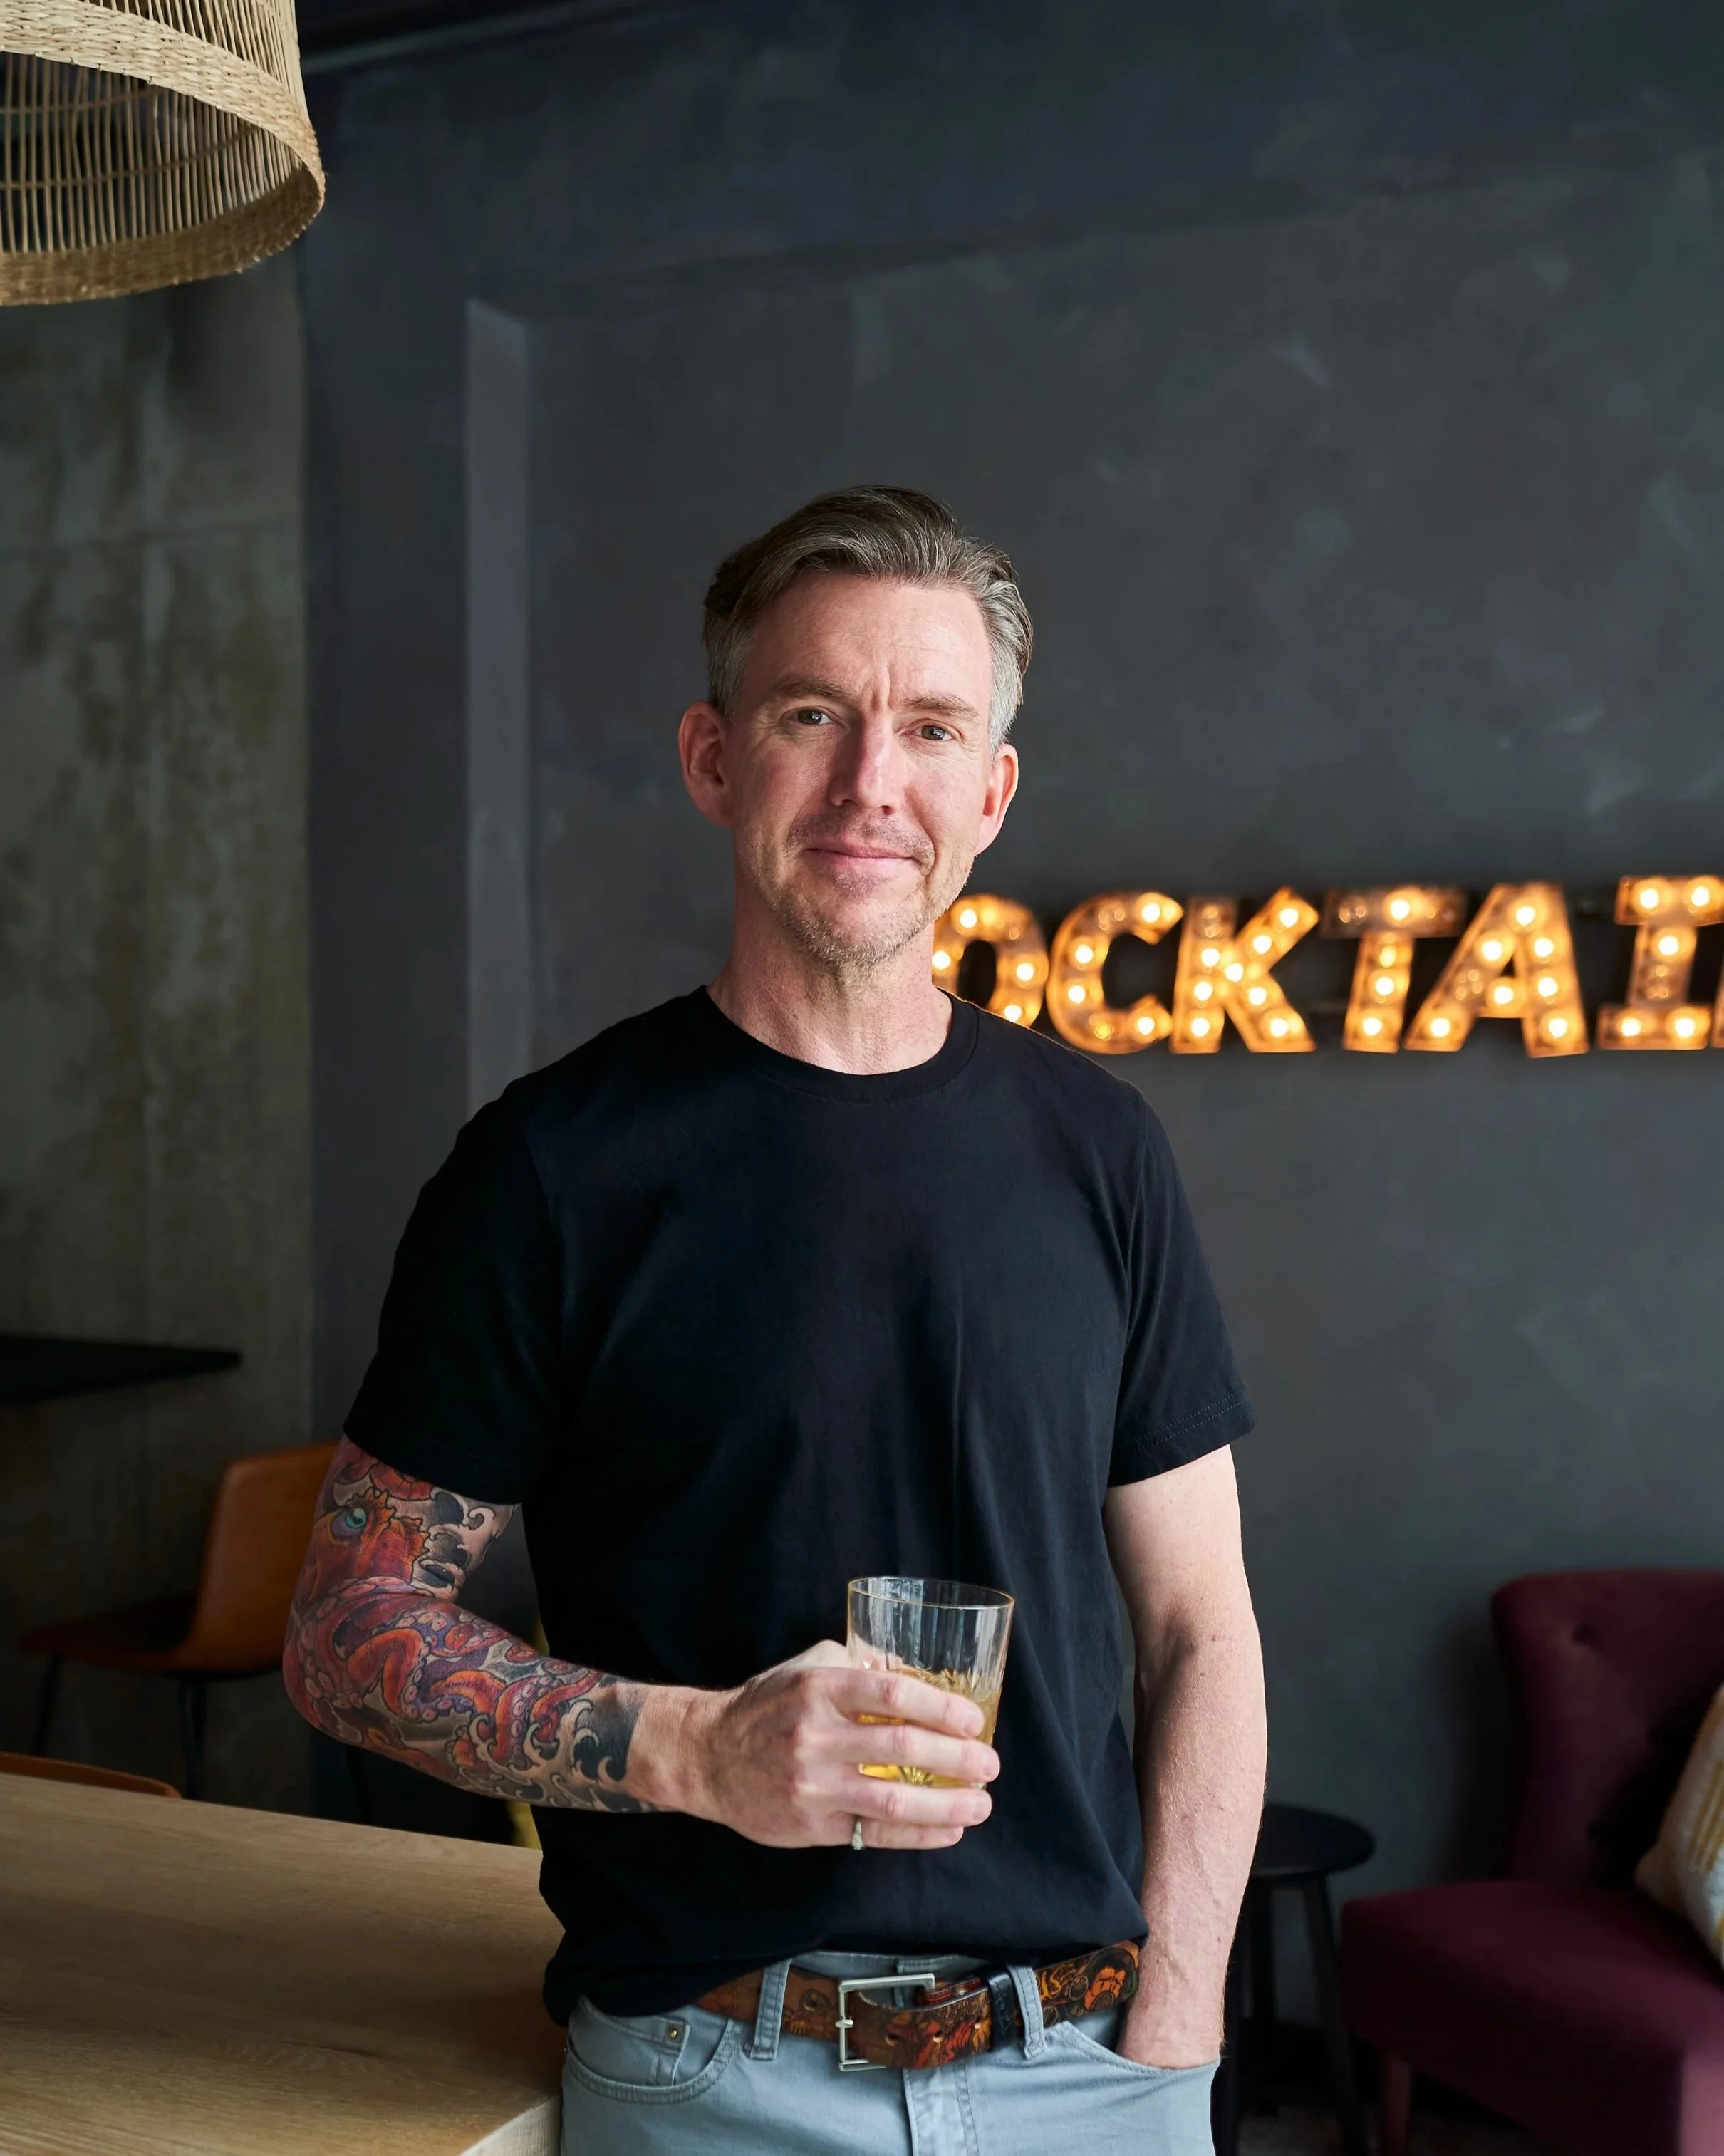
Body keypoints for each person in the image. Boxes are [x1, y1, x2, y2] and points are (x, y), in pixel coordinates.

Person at [284, 487, 1266, 2156]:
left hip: (1089, 2066)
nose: (872, 780)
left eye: (931, 727)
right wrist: (693, 1751)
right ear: (714, 758)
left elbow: (1200, 1634)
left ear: (990, 792)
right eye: (814, 714)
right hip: (709, 2078)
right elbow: (343, 1627)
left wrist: (1175, 2021)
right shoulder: (549, 1168)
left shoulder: (1100, 1150)